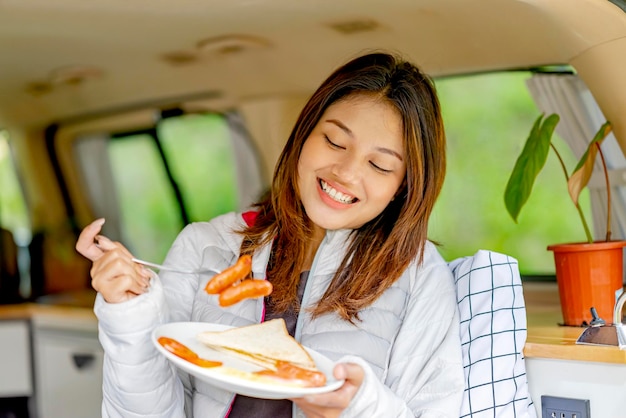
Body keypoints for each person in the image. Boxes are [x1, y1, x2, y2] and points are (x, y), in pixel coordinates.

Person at [76, 51, 464, 418]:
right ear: (304, 135)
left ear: (403, 186)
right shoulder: (205, 246)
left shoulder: (419, 277)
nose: (346, 172)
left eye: (379, 165)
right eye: (333, 141)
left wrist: (359, 407)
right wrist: (130, 315)